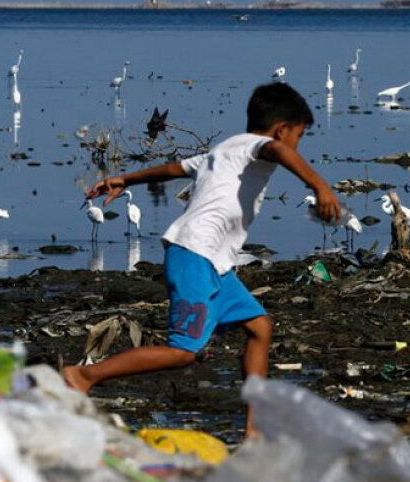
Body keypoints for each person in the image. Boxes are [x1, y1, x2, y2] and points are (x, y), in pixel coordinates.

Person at [63, 82, 340, 435]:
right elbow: (278, 151)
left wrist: (125, 179)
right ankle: (83, 375)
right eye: (298, 136)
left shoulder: (226, 150)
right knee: (183, 352)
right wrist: (320, 186)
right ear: (282, 129)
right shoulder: (261, 146)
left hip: (215, 263)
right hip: (195, 254)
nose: (298, 145)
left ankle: (254, 429)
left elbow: (173, 169)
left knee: (259, 328)